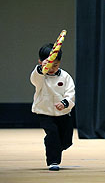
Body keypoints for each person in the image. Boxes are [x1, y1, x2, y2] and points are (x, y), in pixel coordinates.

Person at [30, 43, 75, 171]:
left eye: (55, 65)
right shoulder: (40, 76)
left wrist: (65, 103)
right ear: (40, 62)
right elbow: (34, 79)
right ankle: (53, 161)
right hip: (44, 112)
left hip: (63, 114)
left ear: (60, 63)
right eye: (49, 65)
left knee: (66, 141)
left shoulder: (65, 76)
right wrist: (41, 69)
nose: (52, 68)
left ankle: (53, 146)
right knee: (53, 133)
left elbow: (71, 93)